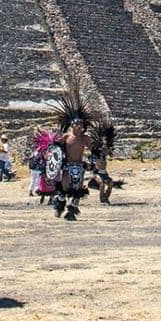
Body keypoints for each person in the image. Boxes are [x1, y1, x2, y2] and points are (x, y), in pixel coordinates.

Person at [47, 88, 94, 221]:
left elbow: (93, 151)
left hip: (79, 167)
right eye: (77, 123)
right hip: (67, 166)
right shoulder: (66, 137)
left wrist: (94, 160)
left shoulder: (85, 138)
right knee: (65, 188)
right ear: (72, 125)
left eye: (81, 124)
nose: (79, 126)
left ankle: (71, 212)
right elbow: (54, 149)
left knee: (77, 190)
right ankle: (59, 205)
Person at [89, 120, 118, 204]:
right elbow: (92, 162)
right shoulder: (96, 153)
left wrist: (107, 149)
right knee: (102, 184)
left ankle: (106, 197)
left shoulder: (105, 153)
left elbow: (110, 153)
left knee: (111, 183)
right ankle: (102, 199)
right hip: (97, 173)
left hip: (104, 173)